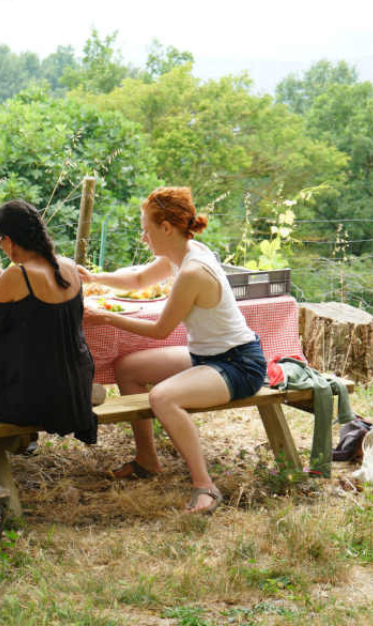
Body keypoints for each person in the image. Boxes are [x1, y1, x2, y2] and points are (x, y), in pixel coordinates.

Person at [80, 187, 266, 513]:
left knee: (163, 397)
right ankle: (147, 460)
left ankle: (205, 487)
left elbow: (160, 330)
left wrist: (104, 316)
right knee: (129, 367)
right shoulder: (180, 253)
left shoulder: (193, 270)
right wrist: (93, 277)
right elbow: (138, 279)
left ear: (166, 228)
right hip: (207, 358)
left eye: (146, 229)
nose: (143, 237)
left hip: (239, 364)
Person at [0, 200, 98, 461]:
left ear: (10, 240)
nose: (0, 247)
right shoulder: (69, 266)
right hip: (73, 391)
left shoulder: (17, 276)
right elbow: (33, 304)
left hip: (31, 399)